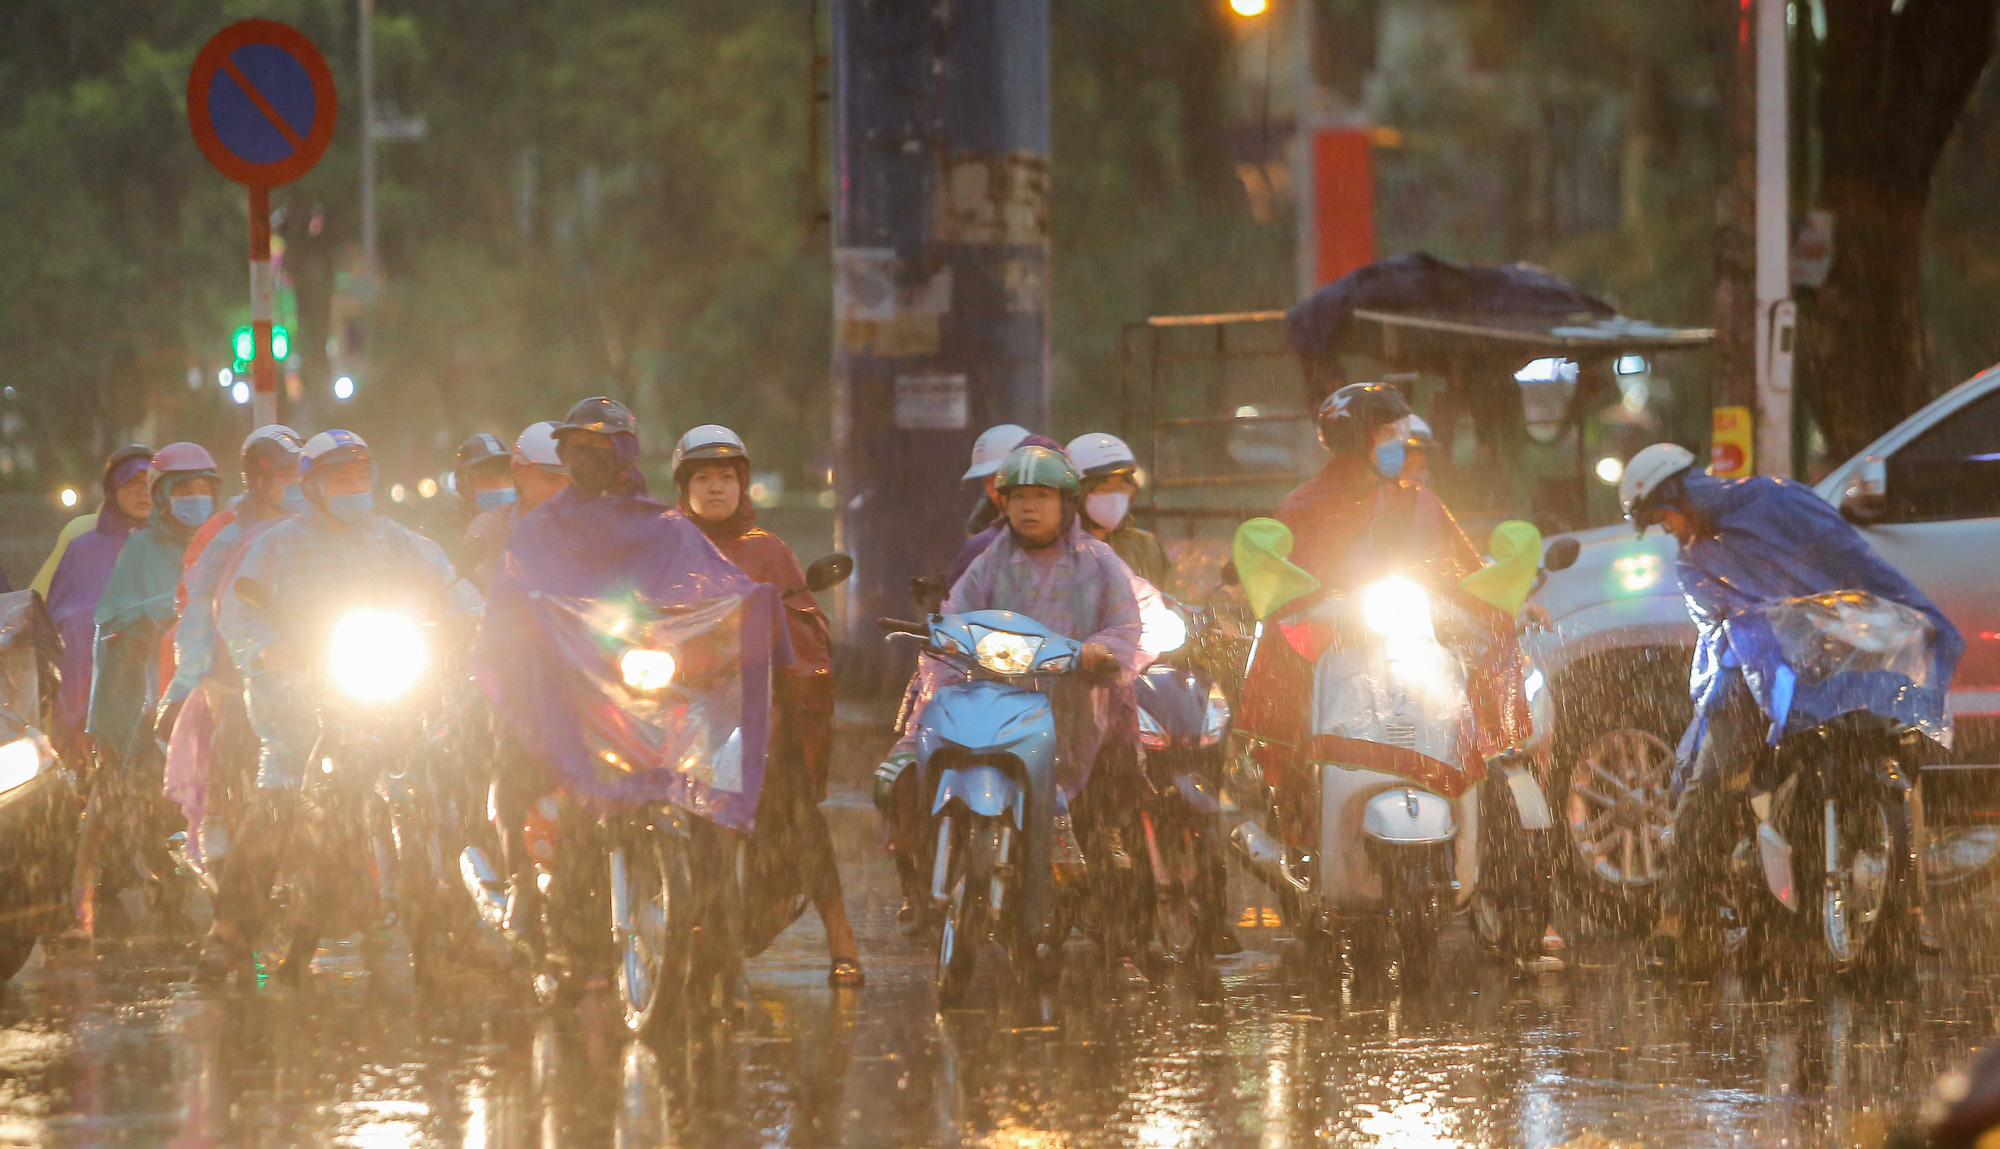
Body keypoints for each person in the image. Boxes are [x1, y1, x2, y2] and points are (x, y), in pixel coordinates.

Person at [1619, 442, 1964, 974]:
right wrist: (1768, 648)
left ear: (1675, 493)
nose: (1666, 531)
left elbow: (1852, 559)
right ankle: (1675, 919)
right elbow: (1722, 625)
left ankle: (1912, 911)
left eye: (1660, 518)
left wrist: (1915, 611)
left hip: (1834, 653)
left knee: (1900, 748)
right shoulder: (1693, 560)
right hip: (1757, 672)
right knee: (1715, 776)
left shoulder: (1778, 501)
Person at [193, 429, 481, 982]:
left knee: (421, 794)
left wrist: (468, 612)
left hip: (384, 691)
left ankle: (442, 933)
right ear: (314, 487)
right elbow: (239, 611)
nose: (355, 487)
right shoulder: (276, 545)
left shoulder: (394, 538)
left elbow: (447, 583)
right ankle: (225, 932)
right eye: (341, 478)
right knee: (279, 803)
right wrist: (266, 649)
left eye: (362, 476)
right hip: (301, 703)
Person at [885, 444, 1150, 986]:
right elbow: (957, 617)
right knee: (909, 770)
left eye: (1041, 496)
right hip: (999, 706)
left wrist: (1099, 650)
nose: (1029, 507)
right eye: (1019, 496)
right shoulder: (987, 562)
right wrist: (945, 638)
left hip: (1083, 712)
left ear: (1065, 503)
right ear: (1003, 503)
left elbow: (1126, 628)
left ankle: (1122, 948)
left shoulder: (1100, 562)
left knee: (1104, 830)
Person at [1238, 383, 1529, 859]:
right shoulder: (1302, 507)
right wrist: (1324, 609)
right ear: (1356, 441)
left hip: (1410, 646)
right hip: (1332, 656)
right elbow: (1290, 596)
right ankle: (1301, 837)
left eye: (1398, 431)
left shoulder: (1418, 501)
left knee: (1457, 723)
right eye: (1387, 433)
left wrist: (1504, 604)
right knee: (1296, 733)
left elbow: (1465, 572)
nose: (1399, 442)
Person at [672, 422, 864, 987]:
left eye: (725, 477)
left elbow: (805, 627)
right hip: (682, 715)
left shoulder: (769, 551)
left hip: (759, 719)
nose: (714, 488)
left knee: (801, 820)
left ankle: (842, 938)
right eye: (702, 478)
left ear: (743, 484)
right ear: (684, 486)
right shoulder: (664, 546)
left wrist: (780, 670)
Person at [71, 442, 220, 939]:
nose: (196, 500)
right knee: (121, 796)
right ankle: (82, 902)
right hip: (140, 695)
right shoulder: (140, 549)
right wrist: (157, 613)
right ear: (165, 497)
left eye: (205, 490)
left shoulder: (223, 540)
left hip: (211, 685)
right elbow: (109, 619)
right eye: (186, 491)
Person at [156, 426, 305, 872]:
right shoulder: (226, 538)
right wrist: (192, 682)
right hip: (241, 670)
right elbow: (199, 614)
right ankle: (220, 827)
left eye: (301, 476)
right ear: (258, 481)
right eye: (285, 478)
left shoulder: (323, 532)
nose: (296, 487)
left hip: (320, 665)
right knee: (234, 736)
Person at [42, 445, 153, 763]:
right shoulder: (82, 548)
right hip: (90, 708)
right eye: (132, 484)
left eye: (149, 484)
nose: (143, 493)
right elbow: (60, 631)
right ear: (112, 489)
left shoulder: (177, 546)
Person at [946, 432, 1067, 589]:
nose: (997, 490)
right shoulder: (981, 546)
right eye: (989, 482)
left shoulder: (1089, 553)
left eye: (1041, 493)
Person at [458, 421, 569, 589]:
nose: (563, 489)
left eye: (571, 479)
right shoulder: (490, 529)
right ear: (521, 473)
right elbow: (473, 590)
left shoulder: (593, 527)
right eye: (551, 478)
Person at [1067, 431, 1173, 593]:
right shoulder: (1062, 550)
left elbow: (1168, 599)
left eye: (1122, 487)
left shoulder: (1146, 546)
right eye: (1104, 487)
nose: (1115, 496)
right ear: (1076, 494)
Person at [440, 433, 515, 569]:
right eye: (488, 479)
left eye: (506, 479)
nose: (500, 487)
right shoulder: (441, 528)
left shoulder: (528, 524)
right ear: (464, 483)